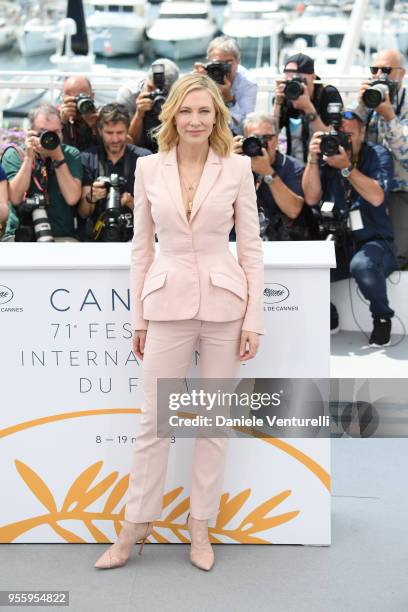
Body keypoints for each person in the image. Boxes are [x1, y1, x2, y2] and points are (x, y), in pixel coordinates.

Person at [94, 73, 265, 571]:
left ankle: (200, 527)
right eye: (186, 111)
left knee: (213, 424)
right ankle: (134, 527)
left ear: (217, 118)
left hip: (225, 309)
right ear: (173, 116)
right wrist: (138, 318)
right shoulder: (148, 169)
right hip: (165, 305)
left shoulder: (236, 169)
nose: (195, 120)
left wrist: (254, 318)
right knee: (153, 423)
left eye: (204, 112)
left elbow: (251, 250)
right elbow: (141, 248)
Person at [302, 107, 398, 347]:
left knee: (362, 265)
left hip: (376, 244)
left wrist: (347, 168)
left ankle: (382, 319)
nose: (343, 142)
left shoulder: (377, 155)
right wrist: (313, 159)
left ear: (363, 133)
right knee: (306, 269)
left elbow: (377, 197)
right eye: (339, 135)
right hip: (341, 242)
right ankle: (330, 317)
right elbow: (311, 198)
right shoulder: (328, 154)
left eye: (350, 136)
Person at [354, 49, 408, 265]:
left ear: (401, 74)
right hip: (367, 188)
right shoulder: (369, 102)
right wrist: (360, 106)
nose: (379, 76)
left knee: (396, 253)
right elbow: (348, 141)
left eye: (386, 70)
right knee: (364, 250)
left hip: (400, 192)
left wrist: (389, 117)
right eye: (374, 70)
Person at [2, 104, 82, 242]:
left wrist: (58, 157)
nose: (50, 137)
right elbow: (15, 198)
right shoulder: (15, 155)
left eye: (56, 132)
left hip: (61, 237)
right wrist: (28, 158)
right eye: (44, 132)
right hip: (21, 237)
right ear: (31, 132)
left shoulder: (70, 154)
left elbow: (72, 197)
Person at [232, 112, 314, 241]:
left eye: (266, 138)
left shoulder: (292, 167)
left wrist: (268, 173)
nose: (261, 144)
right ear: (244, 140)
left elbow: (293, 210)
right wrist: (228, 164)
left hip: (281, 241)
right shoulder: (237, 164)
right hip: (244, 238)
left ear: (276, 139)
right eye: (255, 138)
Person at [79, 103, 151, 241]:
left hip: (134, 238)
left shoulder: (144, 158)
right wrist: (92, 197)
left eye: (120, 132)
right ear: (100, 131)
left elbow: (156, 213)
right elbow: (83, 213)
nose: (115, 139)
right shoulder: (87, 158)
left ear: (127, 130)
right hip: (96, 238)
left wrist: (132, 203)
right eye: (109, 133)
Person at [273, 53, 343, 163]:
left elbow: (332, 138)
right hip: (295, 164)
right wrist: (277, 103)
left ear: (313, 77)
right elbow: (272, 134)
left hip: (324, 162)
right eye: (289, 81)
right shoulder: (285, 95)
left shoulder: (328, 94)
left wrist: (308, 108)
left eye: (299, 80)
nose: (295, 86)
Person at [194, 35, 257, 135]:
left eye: (228, 63)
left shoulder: (248, 84)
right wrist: (196, 85)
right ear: (208, 61)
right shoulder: (199, 76)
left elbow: (244, 128)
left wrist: (229, 98)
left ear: (238, 62)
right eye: (217, 63)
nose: (222, 68)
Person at [116, 58, 180, 153]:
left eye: (162, 93)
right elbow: (127, 144)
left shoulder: (180, 98)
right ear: (146, 80)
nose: (156, 95)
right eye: (150, 88)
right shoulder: (128, 94)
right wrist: (138, 115)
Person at [59, 75, 99, 151]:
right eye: (73, 98)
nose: (77, 102)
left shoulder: (102, 116)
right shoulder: (54, 119)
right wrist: (62, 123)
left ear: (92, 96)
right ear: (63, 98)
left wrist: (96, 127)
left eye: (82, 96)